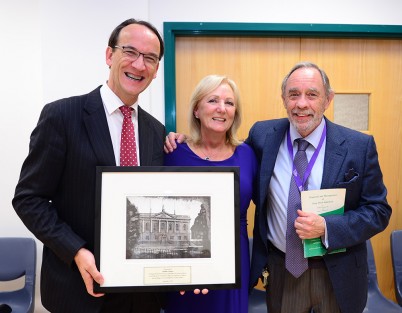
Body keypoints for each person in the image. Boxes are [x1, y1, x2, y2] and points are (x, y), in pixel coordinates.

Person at [165, 62, 392, 313]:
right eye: (293, 94)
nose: (302, 103)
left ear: (328, 99)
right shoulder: (263, 136)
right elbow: (223, 153)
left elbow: (378, 210)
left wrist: (328, 227)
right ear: (284, 98)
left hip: (338, 272)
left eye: (312, 94)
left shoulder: (358, 146)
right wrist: (183, 139)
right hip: (283, 271)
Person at [12, 19, 166, 313]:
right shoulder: (62, 116)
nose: (139, 64)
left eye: (149, 58)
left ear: (156, 69)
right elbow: (28, 199)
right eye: (130, 51)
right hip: (78, 290)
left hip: (141, 296)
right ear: (110, 55)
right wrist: (76, 250)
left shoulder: (156, 132)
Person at [163, 75, 258, 313]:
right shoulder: (173, 153)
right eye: (213, 100)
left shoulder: (248, 154)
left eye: (229, 103)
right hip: (184, 258)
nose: (221, 109)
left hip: (232, 260)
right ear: (197, 109)